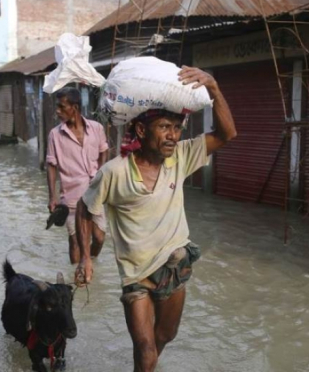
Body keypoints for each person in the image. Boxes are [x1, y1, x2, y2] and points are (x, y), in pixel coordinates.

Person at [74, 66, 237, 371]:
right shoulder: (114, 172)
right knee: (145, 348)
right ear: (140, 131)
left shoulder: (180, 158)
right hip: (135, 277)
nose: (173, 136)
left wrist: (213, 88)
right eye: (164, 127)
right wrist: (86, 258)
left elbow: (228, 134)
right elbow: (85, 208)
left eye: (176, 128)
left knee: (165, 336)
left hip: (174, 266)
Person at [46, 87, 109, 264]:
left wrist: (100, 175)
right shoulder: (55, 135)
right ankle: (77, 279)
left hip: (95, 194)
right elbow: (51, 165)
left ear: (74, 107)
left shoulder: (96, 128)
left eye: (61, 106)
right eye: (57, 106)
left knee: (99, 238)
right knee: (75, 242)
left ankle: (89, 263)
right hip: (71, 196)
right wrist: (52, 197)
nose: (57, 111)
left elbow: (104, 151)